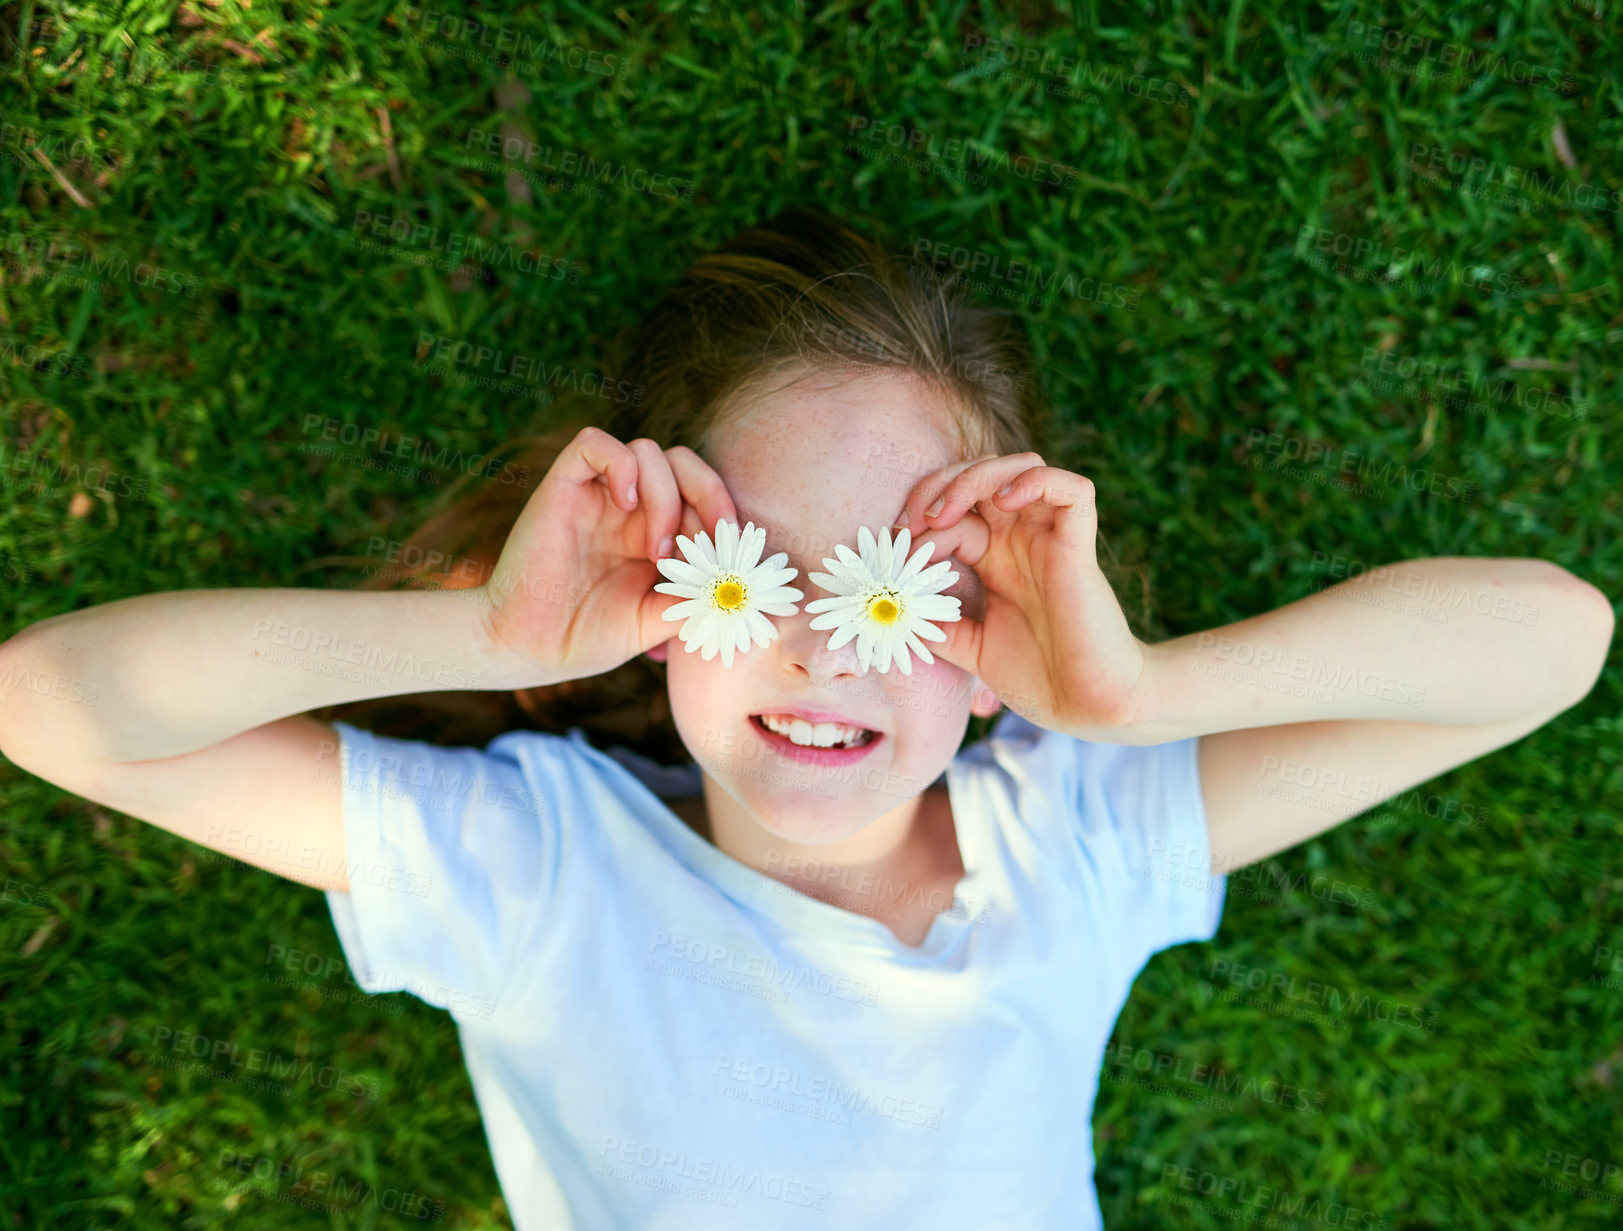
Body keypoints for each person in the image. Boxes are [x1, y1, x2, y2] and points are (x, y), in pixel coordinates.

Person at [0, 208, 1610, 1229]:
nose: (832, 655)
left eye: (903, 586)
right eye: (757, 578)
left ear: (999, 625)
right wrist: (477, 633)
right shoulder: (535, 867)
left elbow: (1551, 643)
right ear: (659, 591)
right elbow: (50, 705)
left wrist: (1145, 692)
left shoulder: (1078, 840)